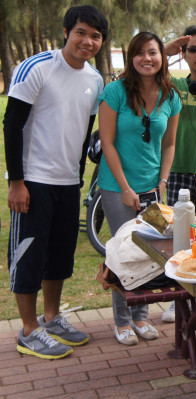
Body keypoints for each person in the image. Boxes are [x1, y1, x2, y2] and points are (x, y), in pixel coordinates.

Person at [3, 5, 108, 359]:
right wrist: (16, 182)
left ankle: (51, 318)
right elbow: (12, 125)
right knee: (29, 255)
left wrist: (77, 177)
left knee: (60, 256)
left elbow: (82, 134)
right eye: (81, 32)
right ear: (66, 31)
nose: (87, 41)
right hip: (33, 180)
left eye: (95, 36)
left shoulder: (95, 80)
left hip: (67, 182)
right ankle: (28, 329)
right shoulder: (36, 67)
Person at [98, 32, 181, 345]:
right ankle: (121, 321)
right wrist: (125, 187)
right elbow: (107, 142)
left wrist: (162, 182)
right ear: (130, 58)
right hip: (117, 185)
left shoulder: (170, 96)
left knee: (150, 251)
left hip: (152, 188)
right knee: (122, 251)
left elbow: (170, 143)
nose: (147, 59)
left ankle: (141, 316)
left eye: (153, 52)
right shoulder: (115, 92)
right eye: (140, 53)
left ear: (162, 57)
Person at [161, 26, 196, 324]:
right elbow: (141, 75)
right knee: (179, 239)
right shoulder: (174, 87)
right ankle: (178, 298)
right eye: (192, 49)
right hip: (179, 172)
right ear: (184, 55)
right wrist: (166, 51)